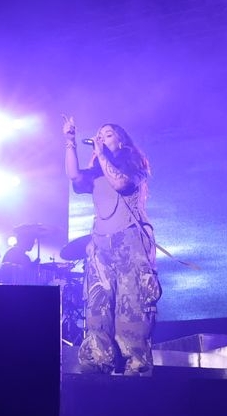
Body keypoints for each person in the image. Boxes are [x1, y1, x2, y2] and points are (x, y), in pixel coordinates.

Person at [62, 116, 161, 375]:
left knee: (132, 305)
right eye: (99, 135)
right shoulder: (96, 173)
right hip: (100, 245)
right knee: (98, 304)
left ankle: (136, 364)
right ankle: (99, 359)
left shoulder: (134, 164)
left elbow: (120, 183)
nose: (101, 138)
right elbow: (73, 175)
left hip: (130, 241)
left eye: (107, 135)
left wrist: (101, 153)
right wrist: (70, 141)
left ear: (121, 140)